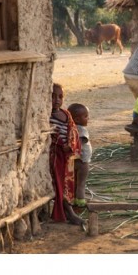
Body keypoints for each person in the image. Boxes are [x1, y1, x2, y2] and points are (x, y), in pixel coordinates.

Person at [49, 84, 84, 226]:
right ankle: (68, 212)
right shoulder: (47, 115)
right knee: (59, 182)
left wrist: (70, 145)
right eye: (53, 96)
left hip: (67, 155)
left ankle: (70, 208)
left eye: (60, 97)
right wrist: (59, 144)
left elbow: (73, 131)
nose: (56, 100)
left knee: (69, 183)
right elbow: (49, 134)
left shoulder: (66, 114)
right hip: (56, 155)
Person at [67, 103, 92, 208]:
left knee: (74, 182)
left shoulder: (70, 128)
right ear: (77, 119)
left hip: (74, 161)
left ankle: (72, 200)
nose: (88, 118)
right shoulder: (81, 129)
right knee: (81, 183)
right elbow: (79, 141)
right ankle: (81, 201)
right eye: (85, 116)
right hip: (82, 161)